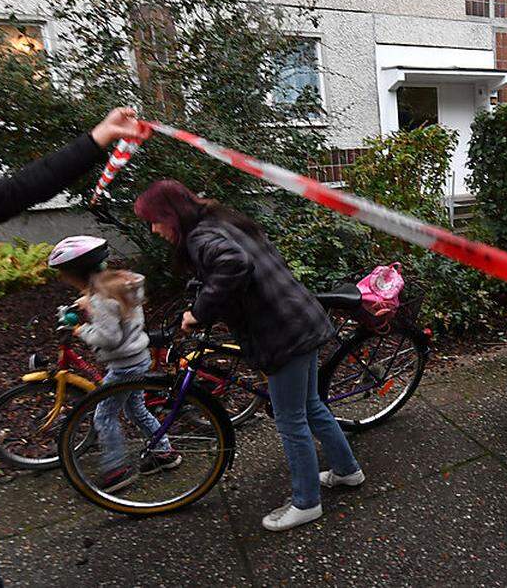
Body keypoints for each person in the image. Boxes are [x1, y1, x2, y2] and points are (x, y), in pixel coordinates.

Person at [133, 179, 364, 532]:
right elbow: (238, 265)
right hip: (300, 317)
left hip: (282, 332)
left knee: (291, 420)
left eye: (154, 220)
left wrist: (199, 313)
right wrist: (201, 291)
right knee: (311, 406)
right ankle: (348, 471)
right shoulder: (219, 219)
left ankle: (306, 503)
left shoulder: (199, 237)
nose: (154, 229)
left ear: (170, 215)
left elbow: (232, 264)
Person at [0, 108, 141, 586]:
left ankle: (117, 469)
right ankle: (164, 447)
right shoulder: (104, 290)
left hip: (125, 360)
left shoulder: (105, 296)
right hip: (129, 359)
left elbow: (16, 190)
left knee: (110, 412)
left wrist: (99, 137)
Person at [47, 236, 181, 492]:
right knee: (135, 410)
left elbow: (109, 338)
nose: (63, 279)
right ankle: (164, 453)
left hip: (124, 366)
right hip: (137, 358)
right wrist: (87, 303)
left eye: (64, 274)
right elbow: (113, 312)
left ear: (77, 273)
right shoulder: (120, 283)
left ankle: (116, 470)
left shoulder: (101, 299)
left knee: (104, 415)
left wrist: (80, 330)